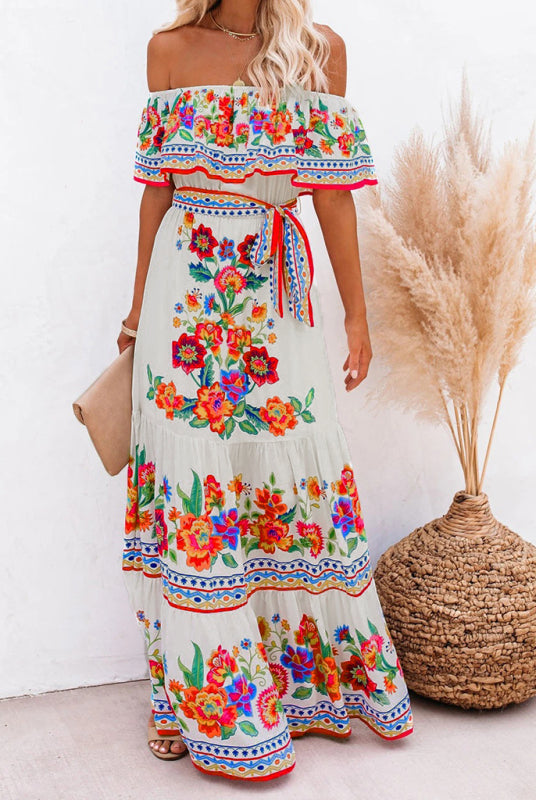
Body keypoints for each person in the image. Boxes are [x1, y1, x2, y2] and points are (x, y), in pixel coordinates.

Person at [118, 0, 414, 782]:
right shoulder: (169, 50)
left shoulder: (320, 50)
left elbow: (333, 196)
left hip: (277, 292)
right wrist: (137, 308)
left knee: (290, 464)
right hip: (185, 298)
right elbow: (156, 194)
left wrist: (356, 314)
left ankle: (295, 684)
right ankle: (191, 701)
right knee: (196, 485)